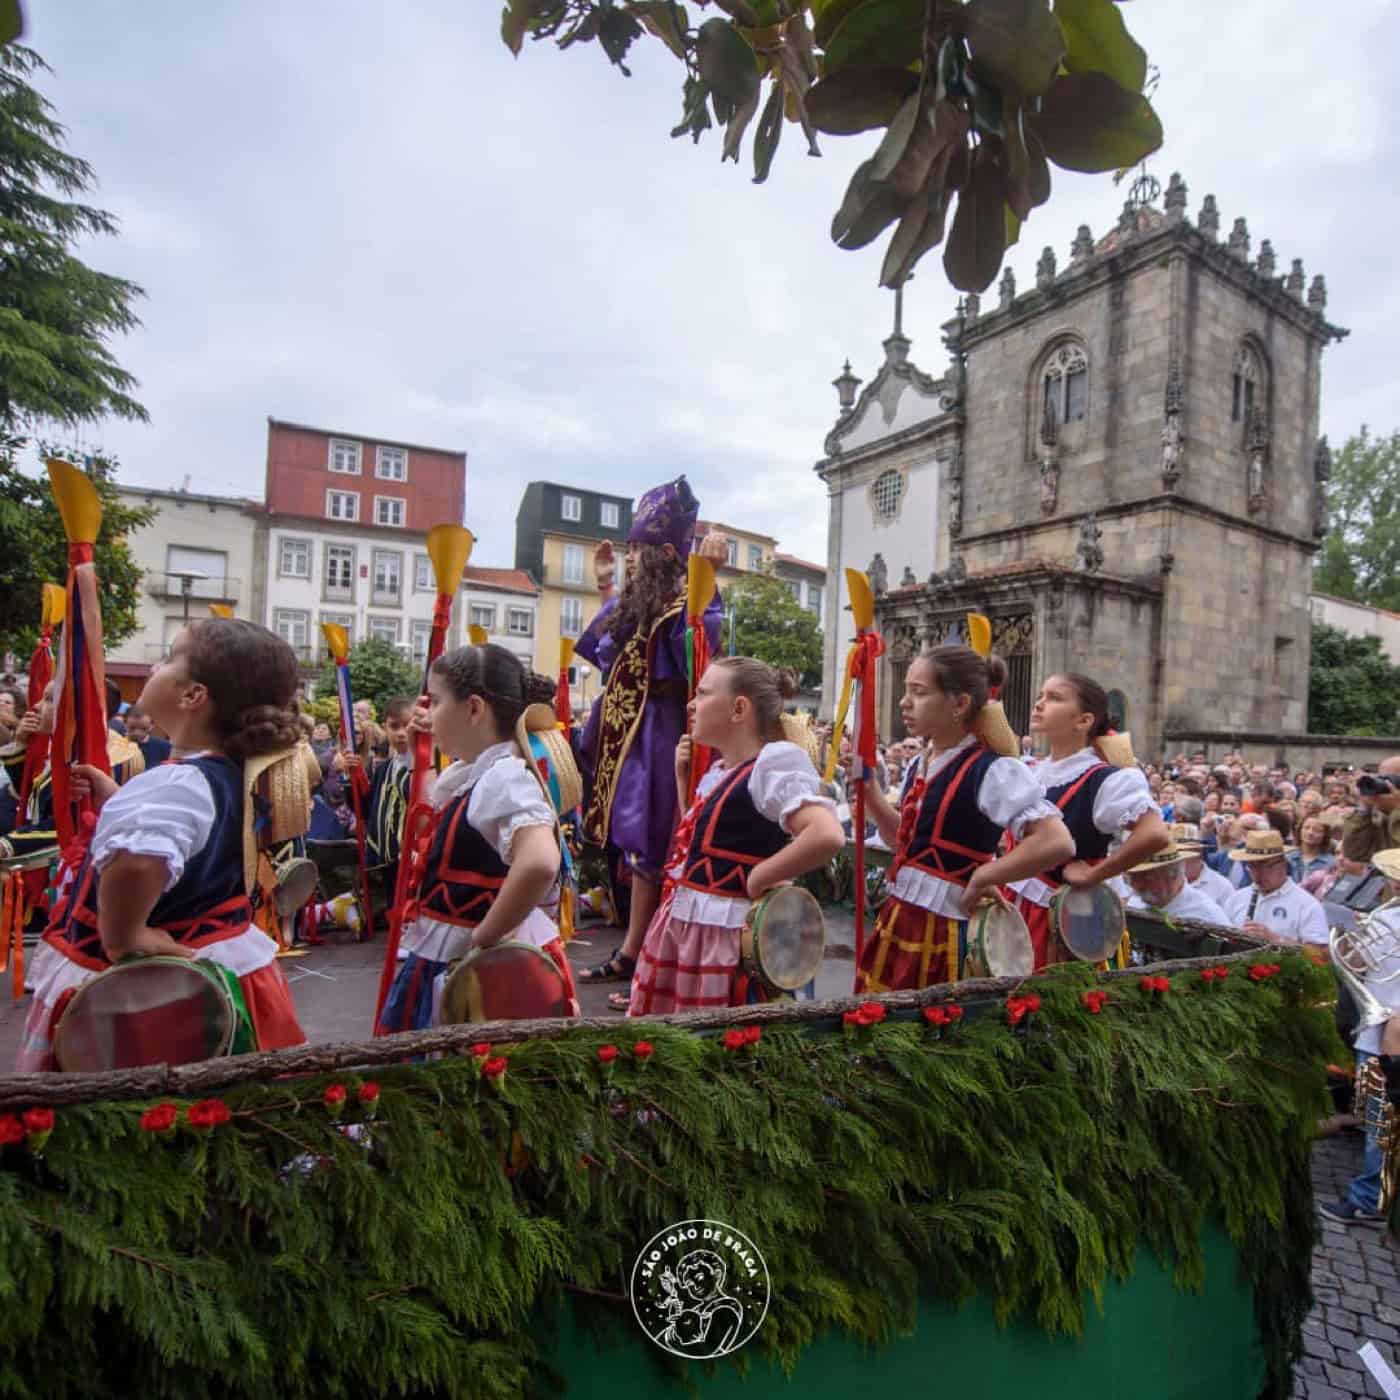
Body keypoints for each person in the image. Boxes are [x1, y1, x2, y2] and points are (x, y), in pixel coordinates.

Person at [16, 619, 308, 1070]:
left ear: (193, 695)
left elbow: (136, 864)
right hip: (214, 969)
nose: (156, 664)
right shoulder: (227, 772)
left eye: (171, 657)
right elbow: (192, 843)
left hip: (156, 997)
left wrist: (125, 934)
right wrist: (120, 803)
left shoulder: (177, 784)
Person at [575, 476, 725, 1010]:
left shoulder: (694, 596)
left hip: (669, 736)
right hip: (632, 735)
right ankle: (634, 951)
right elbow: (609, 646)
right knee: (640, 851)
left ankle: (651, 963)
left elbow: (700, 656)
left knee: (661, 848)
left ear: (666, 552)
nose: (632, 557)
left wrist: (707, 578)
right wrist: (606, 587)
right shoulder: (643, 598)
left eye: (639, 550)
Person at [377, 645, 574, 1034]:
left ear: (473, 709)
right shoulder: (478, 774)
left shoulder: (502, 778)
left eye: (435, 702)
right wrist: (421, 758)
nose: (428, 715)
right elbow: (433, 824)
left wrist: (484, 936)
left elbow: (540, 862)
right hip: (453, 950)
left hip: (473, 965)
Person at [627, 659, 843, 1014]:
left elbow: (826, 834)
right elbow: (708, 842)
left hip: (722, 937)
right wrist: (684, 785)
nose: (690, 704)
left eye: (703, 694)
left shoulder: (771, 765)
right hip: (693, 928)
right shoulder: (722, 771)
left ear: (739, 709)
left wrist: (761, 876)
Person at [854, 646, 1074, 992]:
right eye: (907, 690)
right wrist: (871, 794)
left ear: (959, 704)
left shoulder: (992, 770)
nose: (904, 702)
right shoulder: (920, 762)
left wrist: (987, 874)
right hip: (902, 914)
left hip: (947, 925)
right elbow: (907, 844)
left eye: (919, 692)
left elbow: (1056, 841)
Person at [1008, 673, 1167, 969]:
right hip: (1019, 908)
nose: (1040, 704)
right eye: (1041, 695)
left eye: (1054, 698)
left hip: (1064, 923)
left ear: (1083, 721)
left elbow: (1155, 834)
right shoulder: (1032, 770)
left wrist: (1096, 875)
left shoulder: (1102, 779)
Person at [1319, 847, 1400, 1226]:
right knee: (1377, 1121)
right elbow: (1357, 963)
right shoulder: (1385, 919)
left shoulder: (1388, 921)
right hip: (1378, 1029)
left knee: (1380, 1125)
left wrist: (1353, 935)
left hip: (1387, 1034)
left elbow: (1357, 964)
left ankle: (1370, 1199)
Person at [1222, 827, 1328, 945]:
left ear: (1283, 863)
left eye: (1266, 866)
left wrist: (1276, 940)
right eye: (1252, 866)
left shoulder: (1307, 905)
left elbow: (1321, 954)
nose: (1258, 874)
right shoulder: (1236, 899)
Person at [1123, 840, 1231, 924]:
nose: (1136, 885)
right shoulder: (1134, 904)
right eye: (1131, 878)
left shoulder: (1208, 916)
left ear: (1174, 875)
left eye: (1146, 877)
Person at [1342, 759, 1400, 865]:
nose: (1383, 785)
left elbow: (1396, 860)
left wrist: (1397, 809)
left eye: (1390, 779)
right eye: (1380, 778)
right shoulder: (1379, 820)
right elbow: (1354, 855)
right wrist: (1364, 808)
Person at [1173, 823, 1236, 908]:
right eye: (1174, 854)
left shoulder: (1222, 886)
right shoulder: (1166, 883)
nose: (1176, 860)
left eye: (1183, 853)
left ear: (1199, 852)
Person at [1290, 815, 1336, 885]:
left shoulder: (1331, 863)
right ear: (1300, 830)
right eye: (1306, 828)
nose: (1310, 833)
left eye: (1317, 830)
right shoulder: (1289, 858)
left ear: (1325, 835)